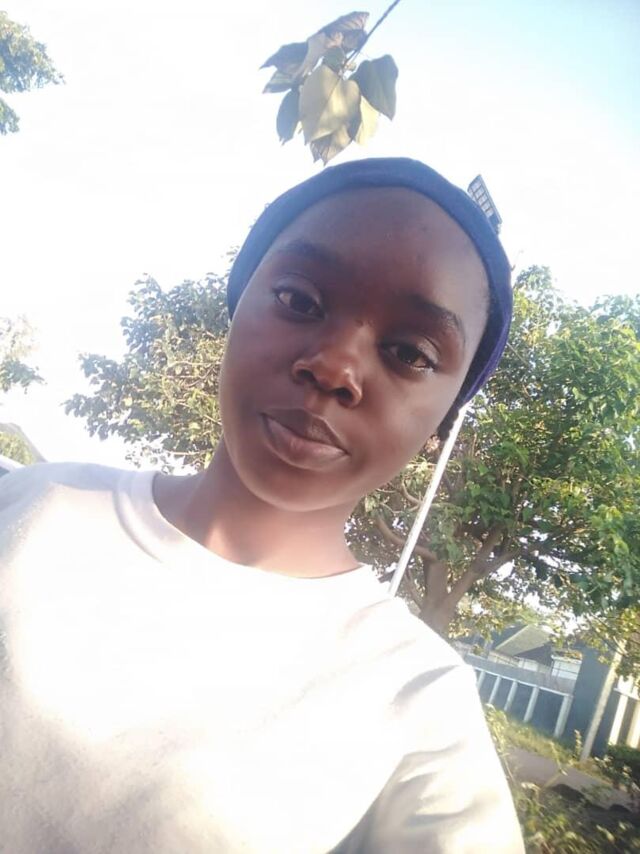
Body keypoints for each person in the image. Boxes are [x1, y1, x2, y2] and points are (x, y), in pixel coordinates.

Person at [0, 158, 524, 853]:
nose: (334, 367)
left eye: (409, 352)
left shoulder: (420, 704)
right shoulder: (31, 502)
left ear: (441, 419)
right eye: (300, 300)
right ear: (238, 303)